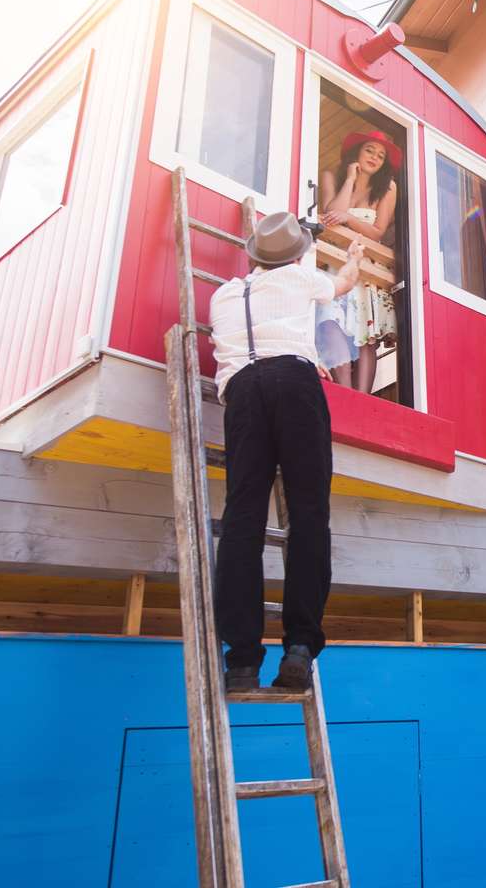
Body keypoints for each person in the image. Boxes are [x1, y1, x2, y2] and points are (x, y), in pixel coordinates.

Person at [209, 211, 369, 691]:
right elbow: (341, 284)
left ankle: (240, 660)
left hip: (241, 392)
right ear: (297, 255)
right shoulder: (302, 279)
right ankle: (299, 647)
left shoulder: (222, 294)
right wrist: (356, 259)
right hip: (294, 386)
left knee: (242, 520)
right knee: (307, 513)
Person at [315, 130, 401, 395]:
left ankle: (362, 396)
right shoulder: (332, 176)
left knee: (366, 335)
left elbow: (377, 231)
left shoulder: (387, 187)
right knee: (332, 326)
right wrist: (351, 179)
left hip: (367, 267)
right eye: (370, 150)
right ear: (357, 152)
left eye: (381, 155)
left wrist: (348, 218)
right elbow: (331, 213)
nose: (375, 157)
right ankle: (345, 392)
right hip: (334, 264)